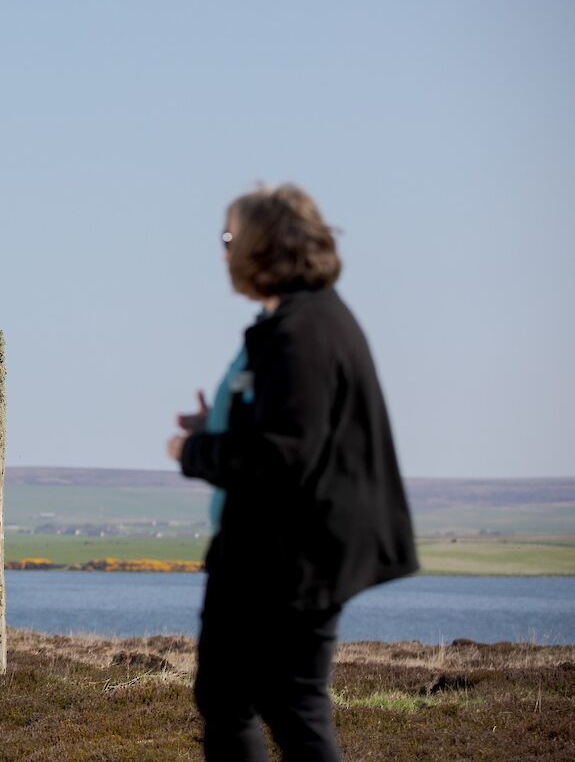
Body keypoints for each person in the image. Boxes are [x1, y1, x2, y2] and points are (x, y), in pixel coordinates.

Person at [168, 184, 417, 762]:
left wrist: (192, 451)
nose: (223, 251)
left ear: (265, 246)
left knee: (287, 702)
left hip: (294, 551)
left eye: (230, 238)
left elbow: (285, 453)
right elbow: (290, 426)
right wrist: (219, 422)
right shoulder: (303, 319)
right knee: (233, 695)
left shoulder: (302, 332)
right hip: (277, 544)